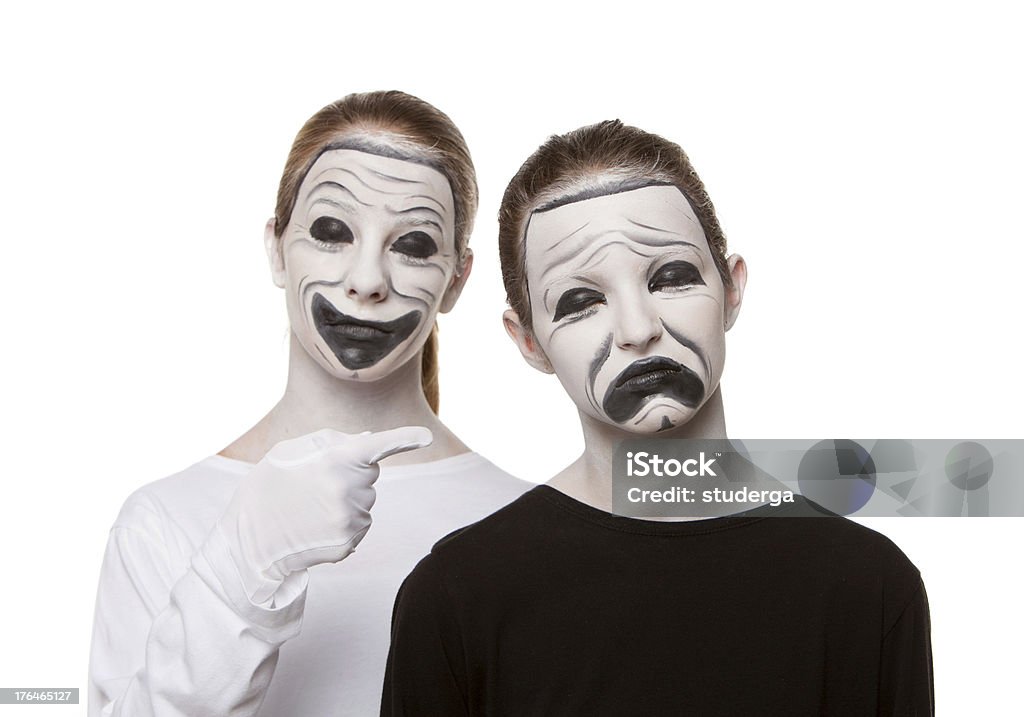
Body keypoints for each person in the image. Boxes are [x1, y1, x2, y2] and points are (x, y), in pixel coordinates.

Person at [382, 120, 934, 715]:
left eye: (671, 277)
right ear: (528, 342)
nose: (638, 329)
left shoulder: (869, 587)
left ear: (732, 289)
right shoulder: (458, 597)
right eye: (580, 301)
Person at [88, 91, 529, 716]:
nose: (368, 279)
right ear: (276, 247)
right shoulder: (163, 521)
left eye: (413, 244)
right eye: (331, 232)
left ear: (457, 279)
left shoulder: (525, 521)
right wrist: (243, 561)